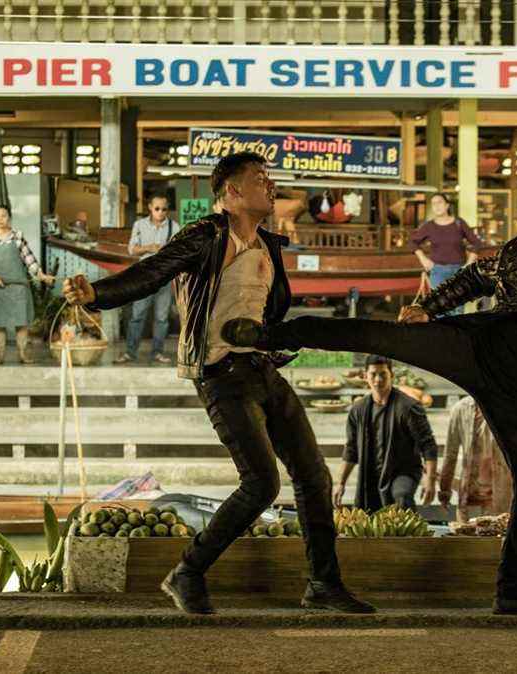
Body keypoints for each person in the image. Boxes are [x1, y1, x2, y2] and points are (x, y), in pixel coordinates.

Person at [221, 210, 517, 616]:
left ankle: (513, 594)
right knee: (381, 337)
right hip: (472, 349)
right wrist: (429, 306)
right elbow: (473, 278)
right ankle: (271, 336)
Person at [61, 151, 373, 616]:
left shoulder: (268, 244)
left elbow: (265, 311)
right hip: (222, 374)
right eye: (259, 179)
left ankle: (324, 584)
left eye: (269, 178)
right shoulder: (207, 235)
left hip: (262, 368)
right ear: (231, 192)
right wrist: (98, 295)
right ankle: (187, 572)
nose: (270, 186)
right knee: (261, 483)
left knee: (314, 476)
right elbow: (154, 270)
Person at [336, 355, 438, 512]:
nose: (378, 379)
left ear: (391, 375)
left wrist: (430, 481)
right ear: (365, 376)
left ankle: (410, 536)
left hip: (403, 471)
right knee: (368, 515)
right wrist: (340, 483)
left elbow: (428, 445)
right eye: (373, 374)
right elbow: (351, 449)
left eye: (383, 374)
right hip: (370, 473)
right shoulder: (358, 410)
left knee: (401, 495)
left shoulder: (409, 407)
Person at [0, 204, 55, 364]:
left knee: (22, 322)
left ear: (9, 218)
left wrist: (42, 276)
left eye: (4, 215)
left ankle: (22, 354)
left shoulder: (18, 237)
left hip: (19, 287)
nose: (0, 219)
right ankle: (0, 355)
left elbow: (30, 260)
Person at [116, 194, 180, 365]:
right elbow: (132, 249)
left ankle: (157, 353)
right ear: (150, 208)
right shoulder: (139, 225)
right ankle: (130, 352)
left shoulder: (174, 227)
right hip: (143, 277)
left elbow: (180, 253)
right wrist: (149, 248)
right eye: (157, 208)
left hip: (164, 278)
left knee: (161, 318)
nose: (160, 212)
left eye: (164, 209)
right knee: (137, 315)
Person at [439, 395, 513, 518]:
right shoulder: (460, 409)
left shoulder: (506, 407)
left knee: (499, 530)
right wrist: (445, 490)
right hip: (470, 490)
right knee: (466, 531)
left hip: (500, 488)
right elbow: (450, 454)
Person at [411, 192, 482, 313]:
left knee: (458, 309)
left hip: (459, 272)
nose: (436, 206)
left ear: (447, 205)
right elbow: (413, 242)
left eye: (439, 202)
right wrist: (423, 259)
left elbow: (477, 243)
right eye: (433, 204)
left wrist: (469, 263)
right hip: (438, 271)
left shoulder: (459, 223)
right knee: (440, 309)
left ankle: (457, 331)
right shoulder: (429, 226)